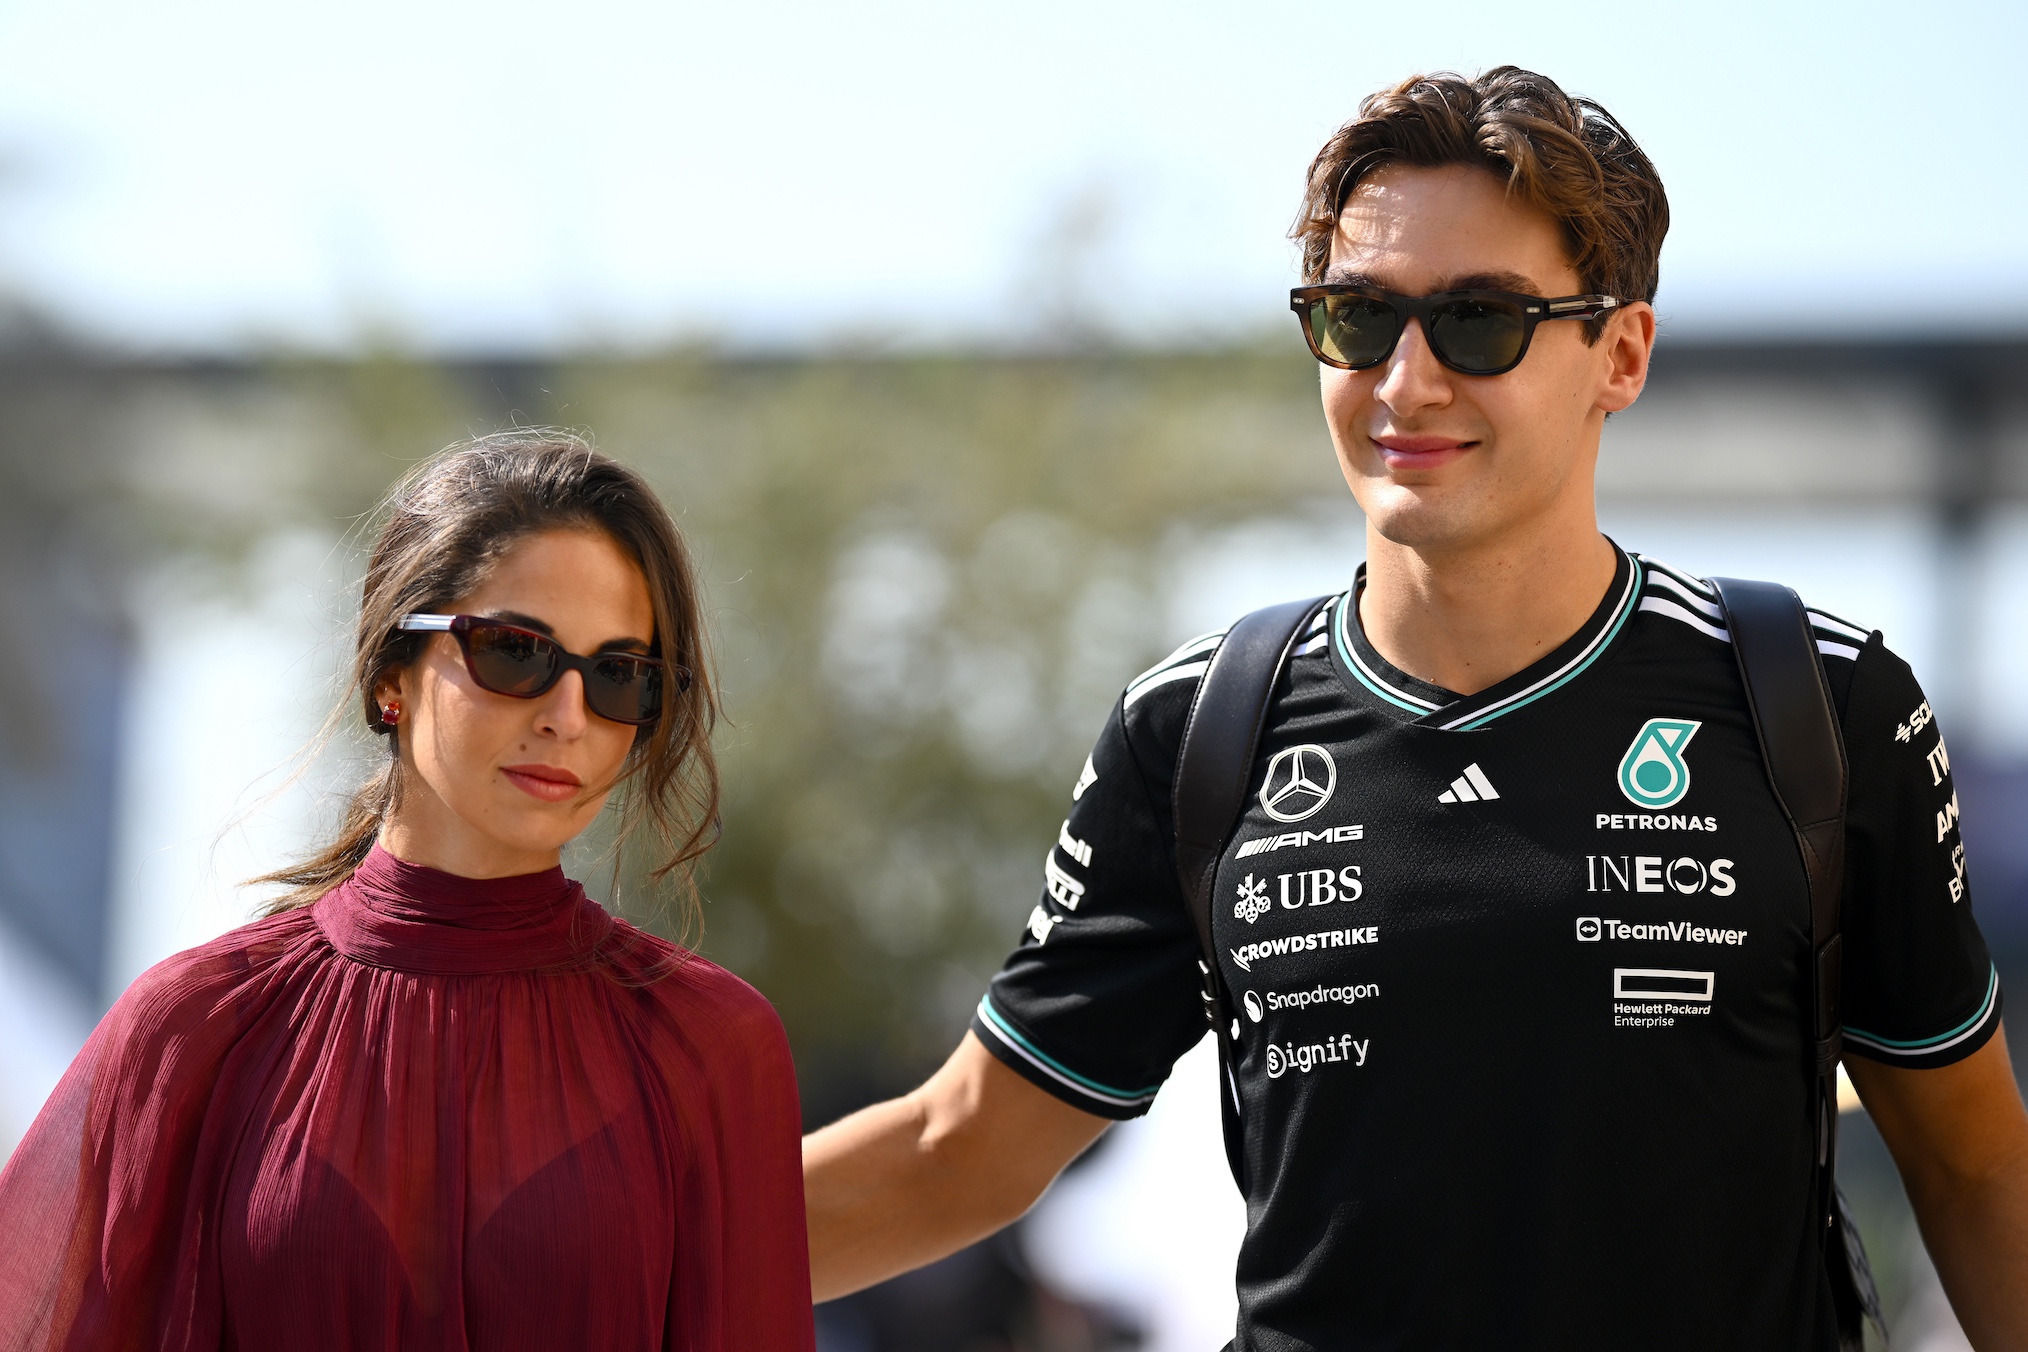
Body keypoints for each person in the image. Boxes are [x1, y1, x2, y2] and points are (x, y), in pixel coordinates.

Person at [803, 68, 2028, 1348]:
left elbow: (1977, 1170)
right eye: (1358, 316)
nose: (1407, 379)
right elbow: (962, 1146)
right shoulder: (1198, 730)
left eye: (1481, 320)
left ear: (1620, 353)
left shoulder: (1822, 706)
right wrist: (615, 1246)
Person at [0, 432, 815, 1350]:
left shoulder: (709, 1047)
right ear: (392, 673)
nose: (568, 716)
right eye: (517, 652)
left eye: (620, 674)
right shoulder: (198, 1032)